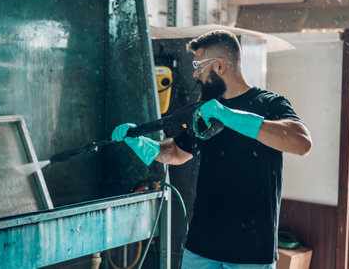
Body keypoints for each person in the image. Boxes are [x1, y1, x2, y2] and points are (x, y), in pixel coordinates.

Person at [111, 30, 312, 268]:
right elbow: (176, 152)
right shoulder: (205, 112)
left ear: (219, 65)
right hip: (201, 247)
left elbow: (301, 142)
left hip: (251, 252)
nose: (195, 73)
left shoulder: (269, 104)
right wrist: (142, 143)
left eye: (198, 66)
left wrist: (228, 115)